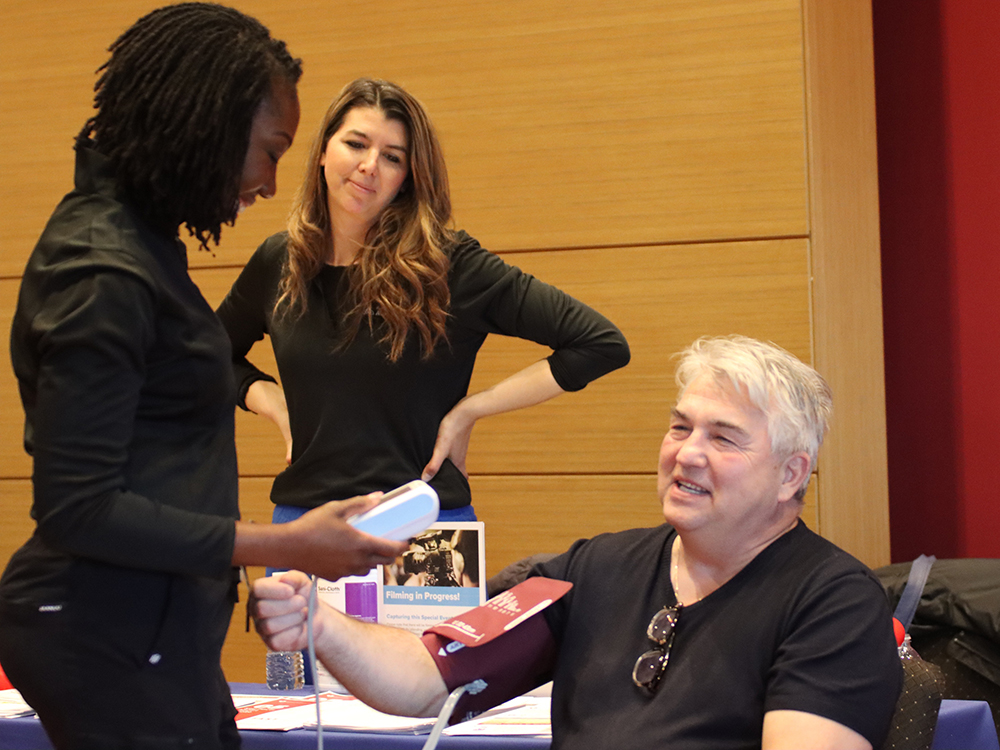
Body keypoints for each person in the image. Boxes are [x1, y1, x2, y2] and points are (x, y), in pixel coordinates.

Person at [0, 5, 406, 749]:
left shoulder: (141, 244)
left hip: (145, 631)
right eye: (270, 150)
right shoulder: (101, 269)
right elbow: (78, 508)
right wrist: (284, 543)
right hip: (102, 633)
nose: (270, 181)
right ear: (211, 125)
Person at [252, 335, 904, 750]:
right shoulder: (594, 568)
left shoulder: (833, 602)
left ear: (791, 475)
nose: (687, 454)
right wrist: (320, 624)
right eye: (680, 428)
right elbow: (427, 682)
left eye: (724, 438)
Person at [215, 77, 630, 528]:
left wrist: (471, 410)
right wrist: (273, 404)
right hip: (305, 525)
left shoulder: (450, 265)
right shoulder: (278, 261)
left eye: (392, 157)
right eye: (356, 144)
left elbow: (600, 343)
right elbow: (207, 354)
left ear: (407, 178)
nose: (369, 166)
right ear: (323, 151)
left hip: (424, 526)